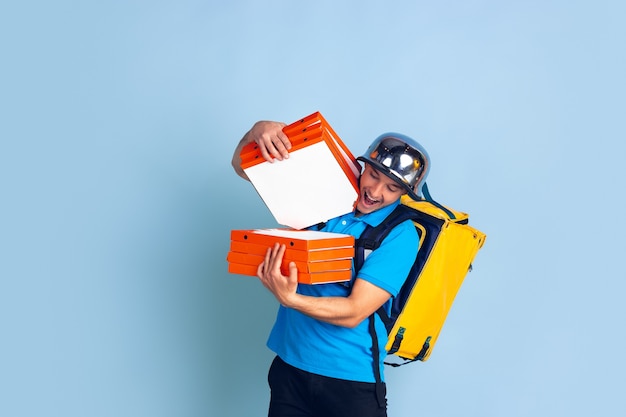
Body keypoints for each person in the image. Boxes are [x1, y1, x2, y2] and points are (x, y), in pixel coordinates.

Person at [231, 120, 430, 417]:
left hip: (350, 381)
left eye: (392, 188)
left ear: (404, 193)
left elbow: (354, 311)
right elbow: (242, 167)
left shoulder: (401, 236)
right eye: (373, 175)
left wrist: (291, 299)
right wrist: (256, 131)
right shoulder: (327, 195)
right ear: (362, 167)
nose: (375, 192)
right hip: (289, 368)